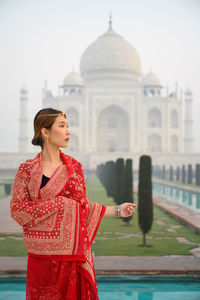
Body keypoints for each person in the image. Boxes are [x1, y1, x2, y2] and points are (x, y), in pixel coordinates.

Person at [10, 108, 137, 300]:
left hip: (72, 258)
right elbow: (18, 210)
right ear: (45, 131)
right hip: (41, 259)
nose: (68, 131)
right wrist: (60, 204)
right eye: (62, 126)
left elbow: (83, 208)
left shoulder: (74, 168)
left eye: (68, 126)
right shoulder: (27, 170)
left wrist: (118, 210)